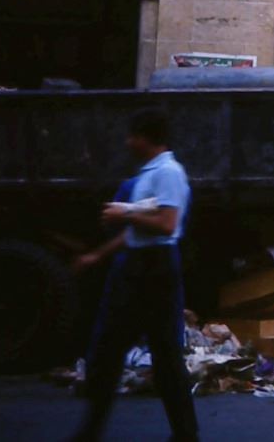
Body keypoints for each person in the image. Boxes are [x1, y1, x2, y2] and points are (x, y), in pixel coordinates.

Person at [72, 110, 197, 442]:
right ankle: (92, 429)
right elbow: (135, 234)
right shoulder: (149, 172)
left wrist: (124, 212)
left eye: (133, 136)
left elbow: (167, 224)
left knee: (163, 355)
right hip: (141, 263)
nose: (128, 142)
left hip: (155, 267)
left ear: (147, 138)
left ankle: (185, 433)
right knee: (113, 350)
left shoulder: (168, 172)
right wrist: (98, 255)